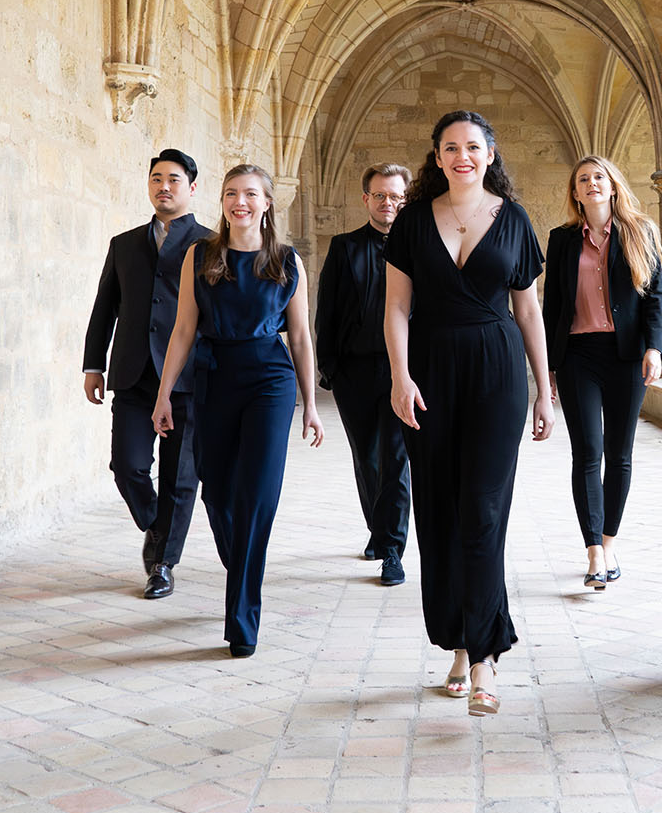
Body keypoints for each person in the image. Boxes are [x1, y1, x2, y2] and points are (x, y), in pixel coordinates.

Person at [384, 111, 552, 717]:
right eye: (451, 147)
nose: (462, 156)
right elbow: (397, 309)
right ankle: (455, 641)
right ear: (436, 157)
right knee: (437, 513)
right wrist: (400, 377)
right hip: (428, 373)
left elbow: (529, 313)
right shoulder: (410, 222)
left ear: (489, 154)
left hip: (496, 373)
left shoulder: (515, 220)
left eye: (473, 146)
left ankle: (483, 657)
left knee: (483, 512)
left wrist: (543, 389)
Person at [153, 165, 322, 655]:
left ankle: (242, 617)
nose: (240, 202)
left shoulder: (288, 261)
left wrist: (310, 404)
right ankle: (244, 565)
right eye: (232, 193)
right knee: (216, 491)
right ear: (222, 201)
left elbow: (301, 337)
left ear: (268, 203)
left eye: (251, 194)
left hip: (270, 380)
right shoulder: (198, 257)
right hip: (213, 375)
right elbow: (184, 329)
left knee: (257, 497)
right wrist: (164, 394)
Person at [82, 149, 210, 600]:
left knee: (180, 477)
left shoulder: (212, 244)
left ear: (192, 187)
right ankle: (158, 529)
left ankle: (162, 564)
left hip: (189, 380)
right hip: (134, 375)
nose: (164, 187)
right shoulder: (124, 243)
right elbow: (105, 308)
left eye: (174, 179)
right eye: (157, 178)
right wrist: (93, 364)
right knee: (128, 466)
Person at [542, 156, 662, 592]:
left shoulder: (640, 232)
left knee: (620, 453)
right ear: (575, 193)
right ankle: (593, 549)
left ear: (613, 186)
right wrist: (548, 369)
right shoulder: (561, 240)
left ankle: (610, 542)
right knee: (587, 452)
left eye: (599, 177)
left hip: (626, 355)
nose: (592, 183)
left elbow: (654, 296)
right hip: (578, 355)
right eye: (583, 179)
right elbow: (552, 306)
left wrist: (654, 347)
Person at [315, 163, 414, 587]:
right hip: (355, 370)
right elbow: (328, 309)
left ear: (405, 201)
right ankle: (379, 527)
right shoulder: (344, 247)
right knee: (366, 455)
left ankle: (391, 549)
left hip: (402, 370)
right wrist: (329, 367)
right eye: (380, 196)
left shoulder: (418, 247)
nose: (388, 203)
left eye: (396, 197)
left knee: (395, 456)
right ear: (366, 199)